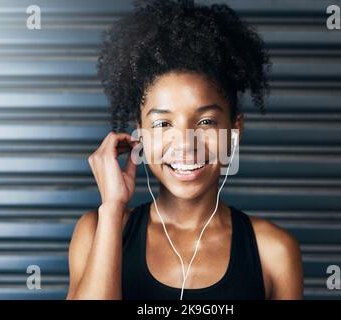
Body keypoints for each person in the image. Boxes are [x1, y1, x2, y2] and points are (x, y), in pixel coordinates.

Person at [66, 0, 303, 300]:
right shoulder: (96, 232)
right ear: (139, 133)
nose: (185, 144)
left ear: (235, 129)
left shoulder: (274, 251)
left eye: (205, 121)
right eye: (163, 124)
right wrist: (112, 209)